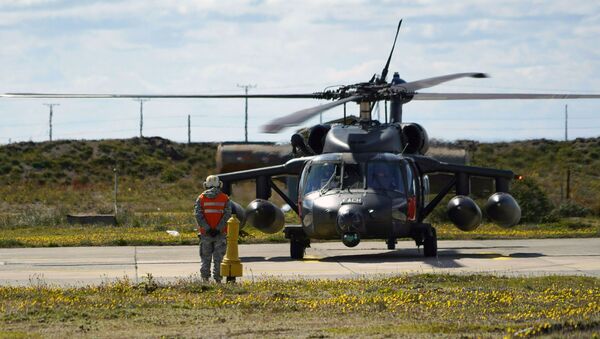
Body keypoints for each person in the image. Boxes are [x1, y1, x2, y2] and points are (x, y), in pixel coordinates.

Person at [194, 175, 232, 283]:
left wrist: (208, 229)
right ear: (219, 184)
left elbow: (198, 215)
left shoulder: (201, 198)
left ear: (206, 185)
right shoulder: (225, 198)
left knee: (205, 259)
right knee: (218, 259)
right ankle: (218, 281)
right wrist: (218, 229)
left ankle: (205, 280)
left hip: (205, 234)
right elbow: (227, 215)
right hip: (220, 234)